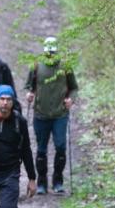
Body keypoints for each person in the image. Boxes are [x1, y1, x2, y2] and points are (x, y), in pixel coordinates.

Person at [25, 37, 79, 194]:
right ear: (44, 52)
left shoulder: (65, 66)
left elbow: (74, 88)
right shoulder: (35, 66)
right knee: (41, 149)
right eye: (48, 53)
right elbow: (30, 85)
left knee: (61, 146)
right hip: (41, 114)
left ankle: (58, 181)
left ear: (57, 51)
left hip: (60, 114)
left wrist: (71, 100)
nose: (50, 55)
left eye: (53, 53)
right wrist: (30, 94)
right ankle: (41, 182)